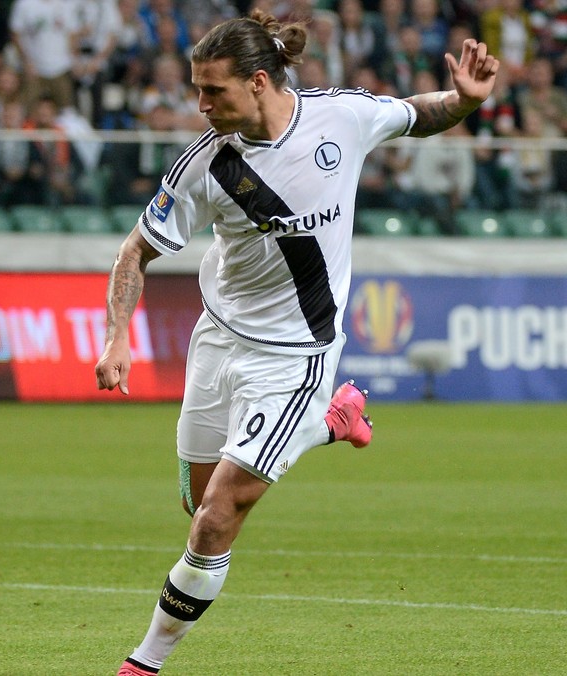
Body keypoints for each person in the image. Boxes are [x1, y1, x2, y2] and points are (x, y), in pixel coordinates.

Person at [93, 11, 499, 675]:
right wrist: (117, 338)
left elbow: (414, 114)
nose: (200, 104)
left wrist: (462, 101)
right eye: (196, 89)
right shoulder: (205, 166)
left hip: (298, 356)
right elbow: (136, 251)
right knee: (198, 504)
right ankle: (330, 424)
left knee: (217, 518)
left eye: (212, 91)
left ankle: (143, 662)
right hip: (219, 341)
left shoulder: (338, 117)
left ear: (258, 82)